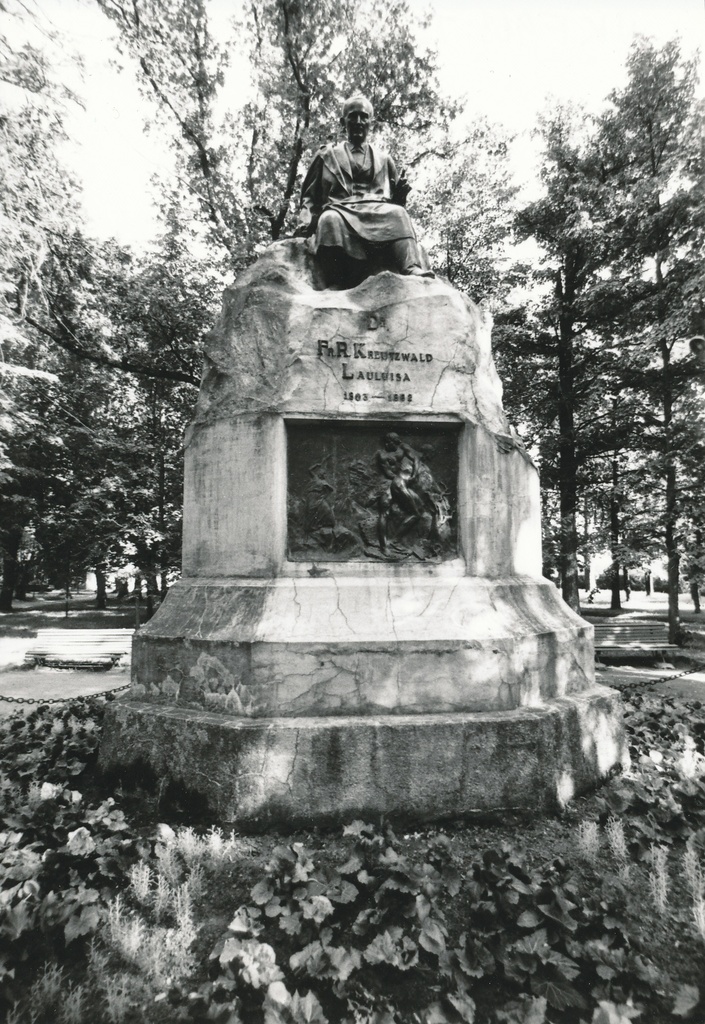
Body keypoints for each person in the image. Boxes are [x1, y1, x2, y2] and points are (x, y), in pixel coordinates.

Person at [296, 94, 432, 287]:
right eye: (353, 116)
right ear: (343, 122)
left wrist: (400, 199)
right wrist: (306, 218)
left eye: (363, 116)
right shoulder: (327, 155)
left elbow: (394, 201)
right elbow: (309, 198)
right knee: (329, 220)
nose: (358, 121)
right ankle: (336, 281)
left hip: (376, 210)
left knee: (399, 213)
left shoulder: (385, 160)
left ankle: (411, 267)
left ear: (371, 122)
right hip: (340, 209)